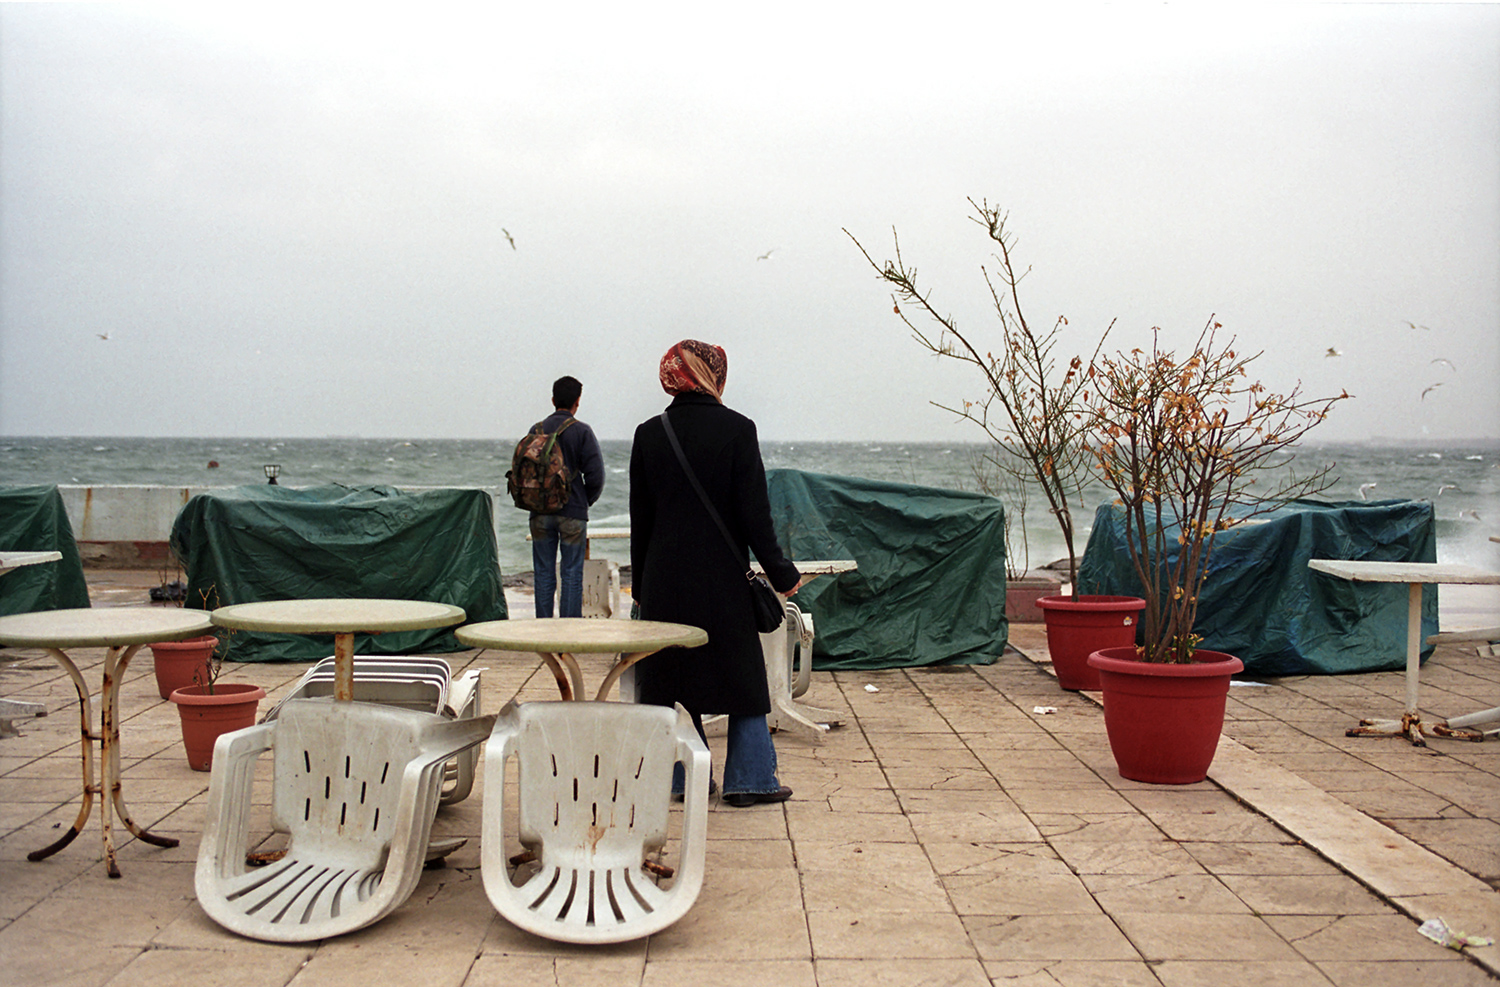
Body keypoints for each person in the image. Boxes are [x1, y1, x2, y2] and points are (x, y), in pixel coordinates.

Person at [629, 340, 801, 806]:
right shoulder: (738, 430)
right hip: (722, 579)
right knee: (741, 678)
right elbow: (754, 517)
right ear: (713, 375)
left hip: (664, 579)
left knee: (669, 678)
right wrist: (782, 574)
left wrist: (642, 589)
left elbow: (640, 521)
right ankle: (749, 780)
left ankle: (681, 779)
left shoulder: (649, 434)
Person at [530, 375, 606, 618]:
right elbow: (596, 476)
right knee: (572, 573)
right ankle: (568, 632)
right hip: (572, 512)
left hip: (540, 511)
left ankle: (543, 631)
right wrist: (585, 501)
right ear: (577, 401)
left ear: (553, 399)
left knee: (543, 572)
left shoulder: (536, 430)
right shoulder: (582, 431)